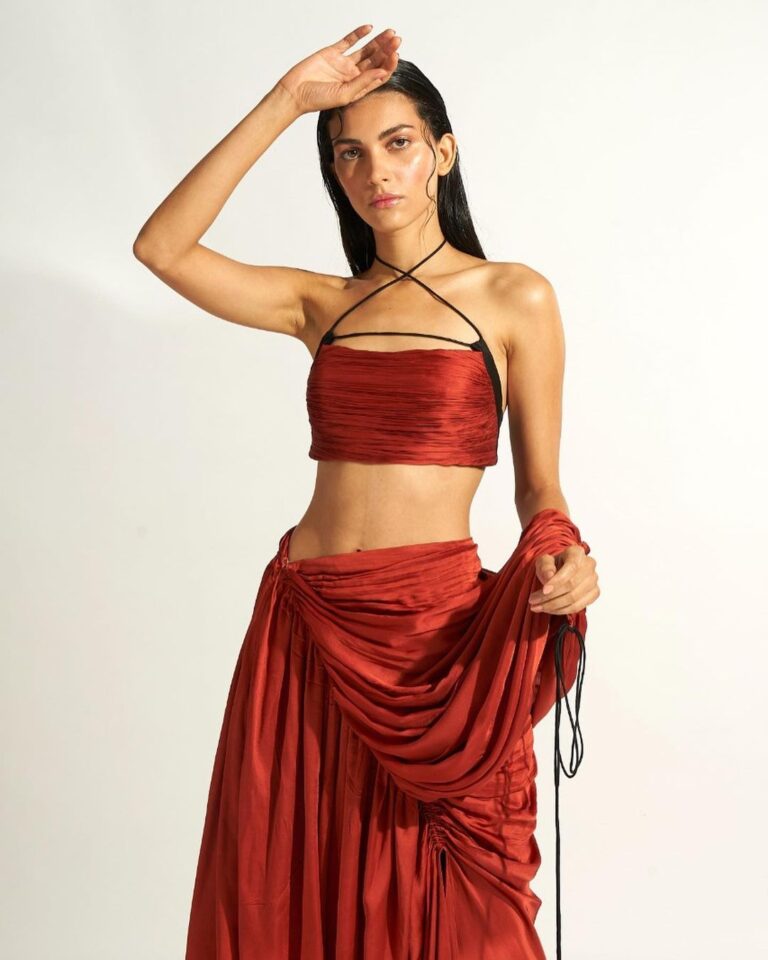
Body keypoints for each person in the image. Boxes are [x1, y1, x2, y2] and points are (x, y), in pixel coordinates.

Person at [133, 24, 601, 960]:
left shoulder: (515, 297)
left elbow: (539, 486)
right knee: (290, 885)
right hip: (306, 629)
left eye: (397, 143)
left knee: (459, 912)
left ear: (443, 153)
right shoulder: (322, 305)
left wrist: (563, 550)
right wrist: (287, 100)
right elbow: (163, 248)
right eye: (347, 153)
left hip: (434, 643)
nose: (374, 171)